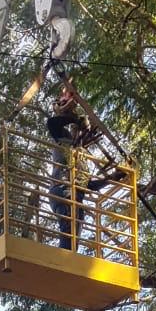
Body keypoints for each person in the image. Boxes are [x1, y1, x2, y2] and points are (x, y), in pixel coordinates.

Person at [46, 91, 127, 251]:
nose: (78, 133)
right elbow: (52, 124)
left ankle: (67, 265)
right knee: (69, 233)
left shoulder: (79, 154)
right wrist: (75, 119)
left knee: (73, 239)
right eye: (77, 130)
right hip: (64, 191)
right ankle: (63, 265)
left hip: (75, 195)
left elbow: (90, 185)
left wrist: (114, 177)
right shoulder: (63, 139)